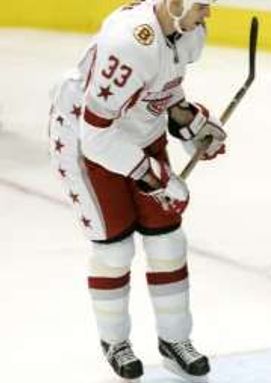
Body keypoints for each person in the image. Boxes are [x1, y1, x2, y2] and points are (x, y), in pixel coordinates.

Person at [47, 0, 226, 380]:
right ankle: (115, 342)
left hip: (139, 133)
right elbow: (97, 136)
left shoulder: (187, 31)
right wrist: (157, 178)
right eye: (200, 6)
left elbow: (165, 92)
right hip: (87, 142)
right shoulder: (128, 43)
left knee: (168, 243)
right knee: (114, 250)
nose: (207, 14)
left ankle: (174, 341)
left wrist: (193, 127)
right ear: (174, 4)